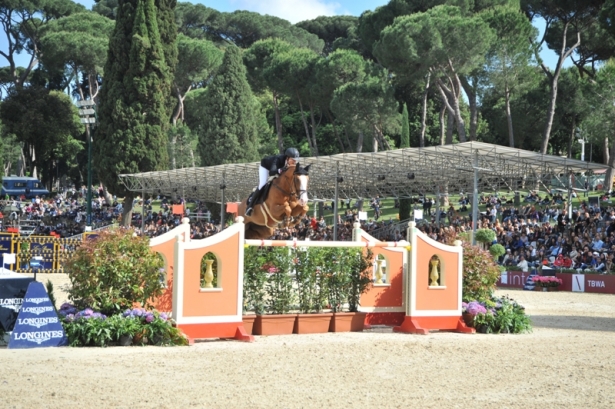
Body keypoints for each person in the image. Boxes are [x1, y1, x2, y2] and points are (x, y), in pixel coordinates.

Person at [245, 148, 300, 216]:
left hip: (277, 170)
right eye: (293, 160)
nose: (294, 163)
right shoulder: (278, 159)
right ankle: (250, 206)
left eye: (296, 161)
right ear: (288, 158)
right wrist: (280, 170)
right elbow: (272, 172)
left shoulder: (290, 163)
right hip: (266, 167)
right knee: (263, 183)